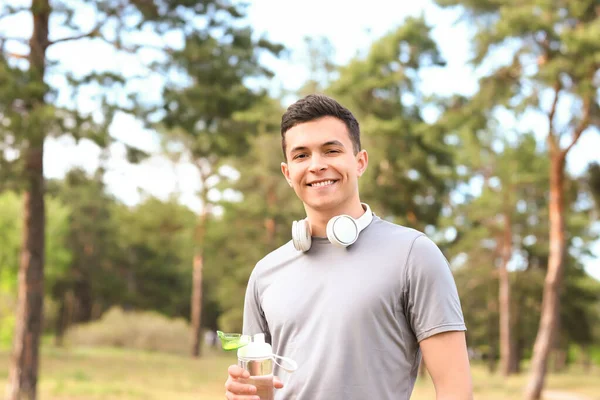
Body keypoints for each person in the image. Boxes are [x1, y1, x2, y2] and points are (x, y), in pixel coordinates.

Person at [224, 94, 473, 400]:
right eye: (301, 156)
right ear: (288, 173)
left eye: (331, 150)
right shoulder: (265, 274)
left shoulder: (414, 254)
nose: (316, 165)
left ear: (360, 162)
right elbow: (256, 389)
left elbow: (455, 389)